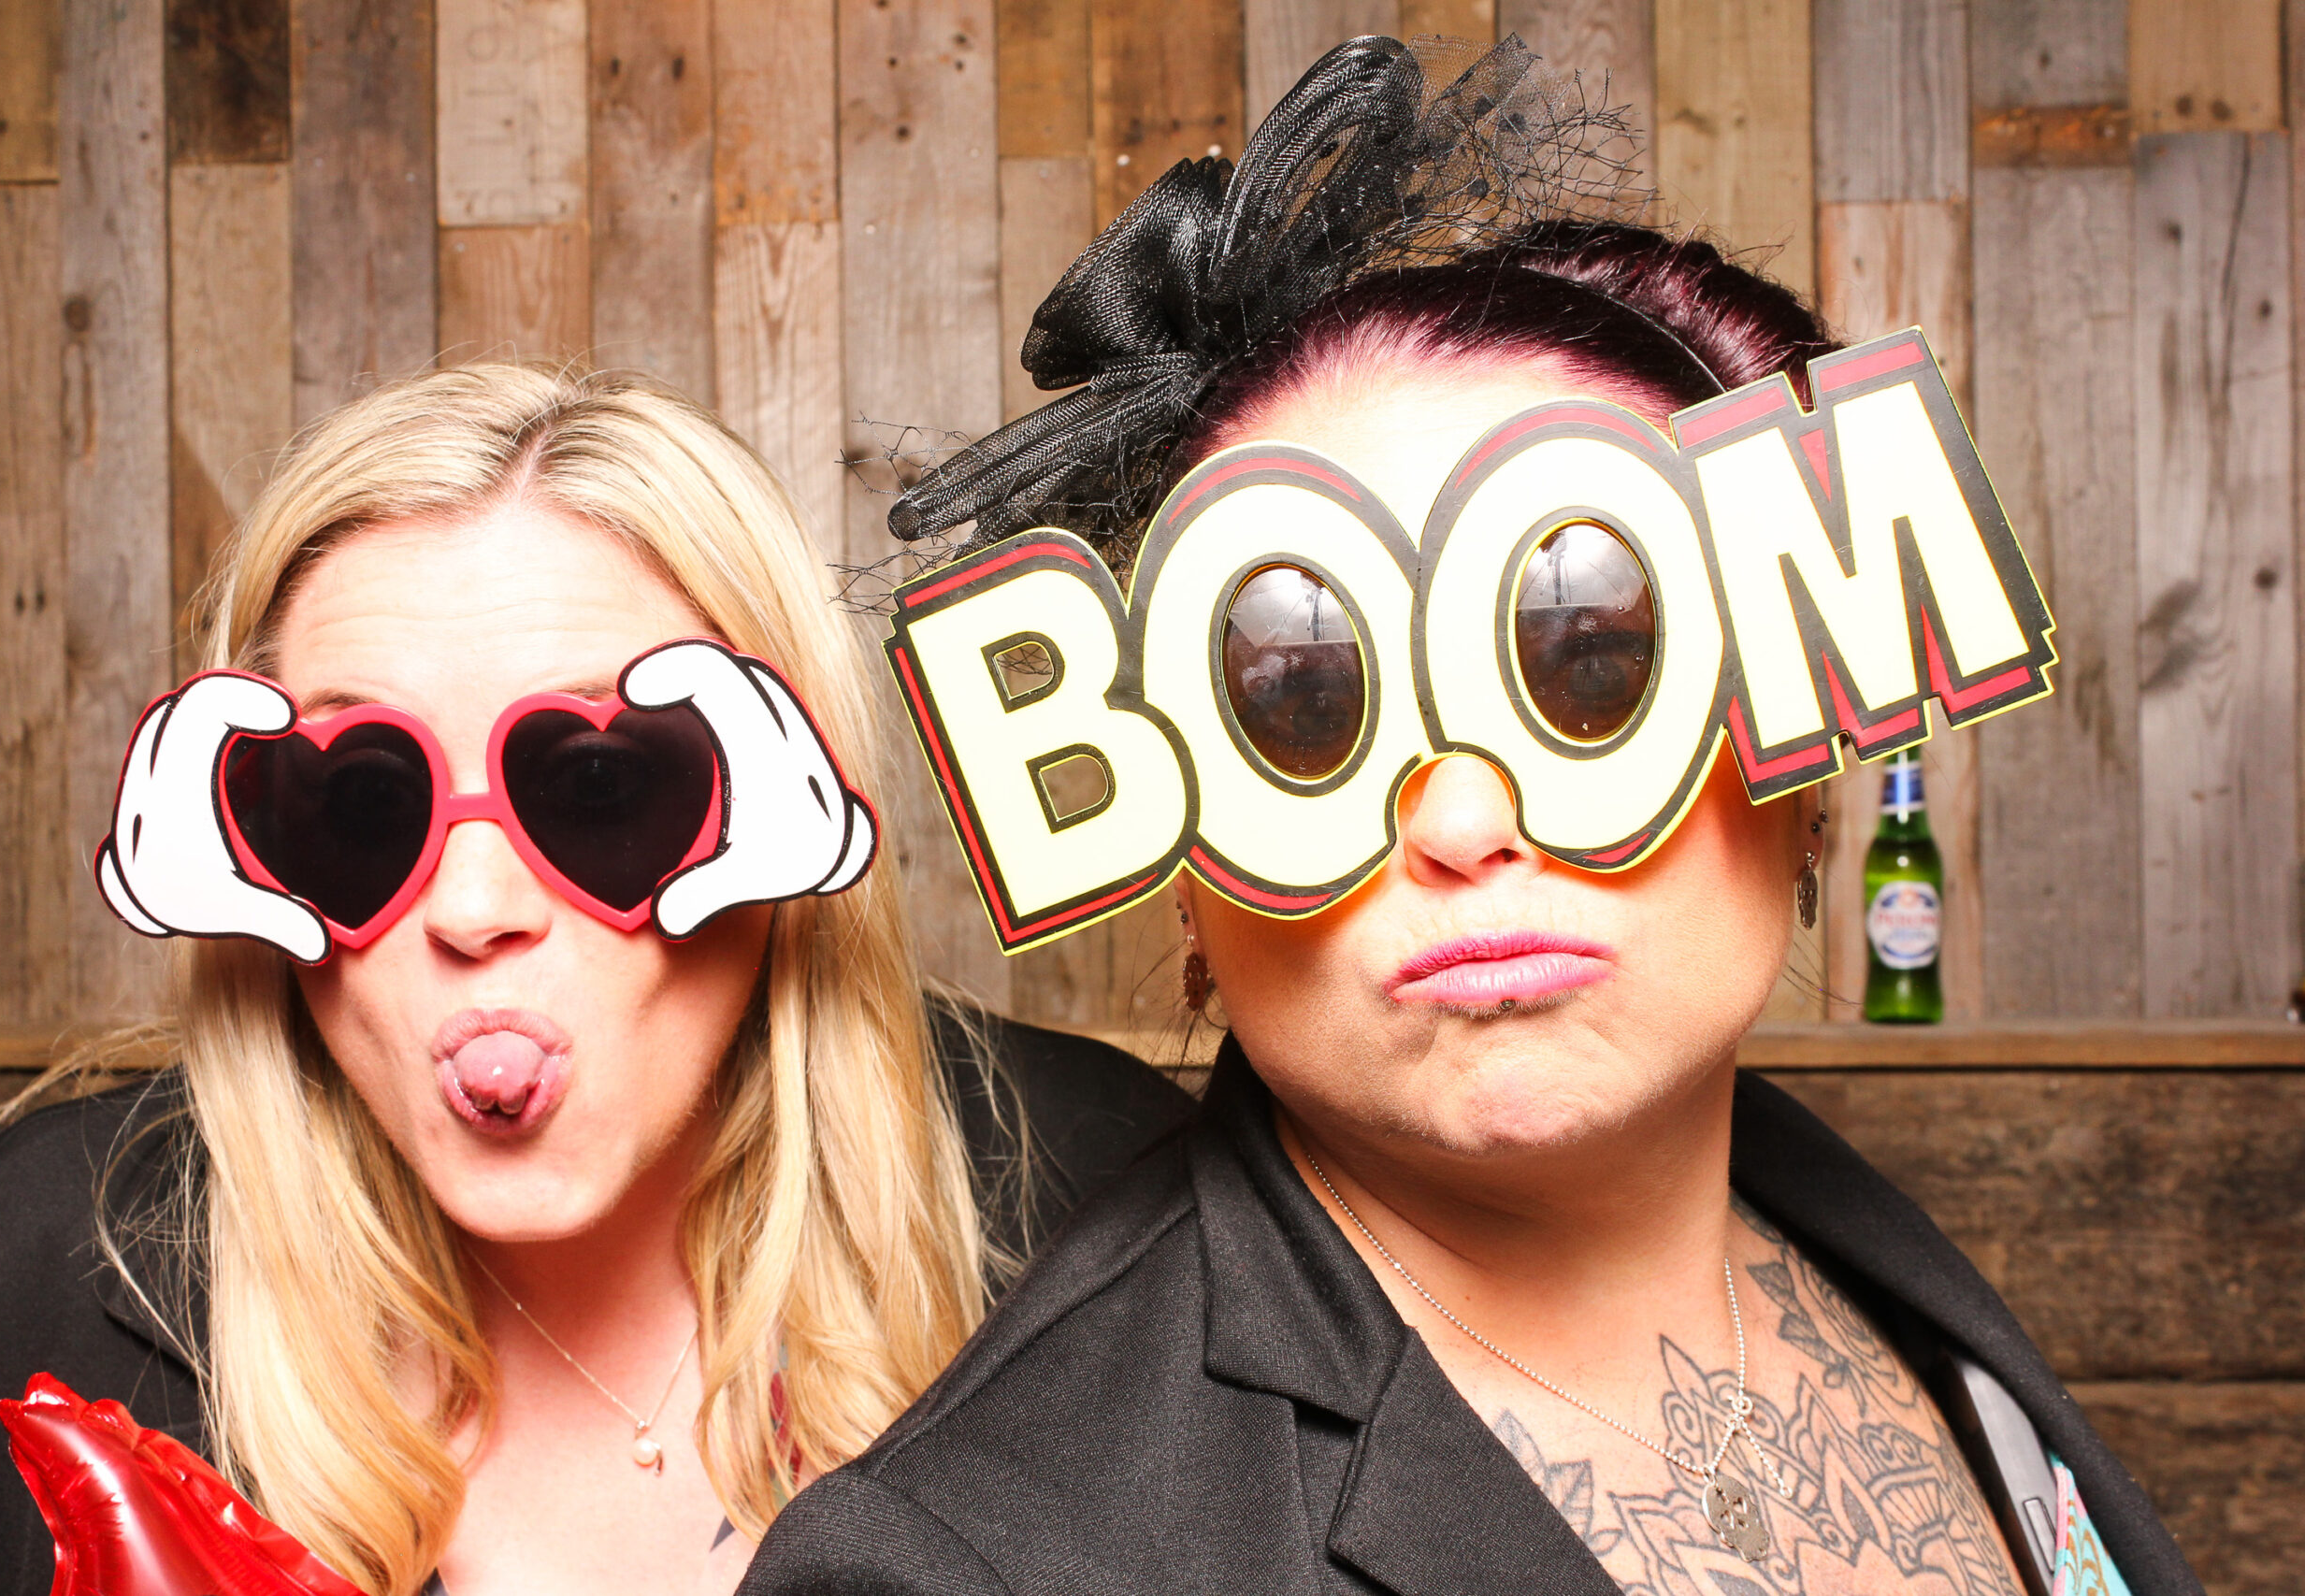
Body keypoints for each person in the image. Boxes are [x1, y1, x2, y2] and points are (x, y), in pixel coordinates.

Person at [739, 37, 2198, 1596]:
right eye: (1302, 708)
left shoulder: (1834, 1226)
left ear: (1807, 747)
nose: (1461, 820)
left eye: (1595, 665)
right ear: (1179, 853)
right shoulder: (956, 1566)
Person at [0, 365, 1193, 1596]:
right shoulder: (42, 1261)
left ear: (783, 796)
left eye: (599, 787)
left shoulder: (1122, 1209)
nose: (473, 909)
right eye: (359, 804)